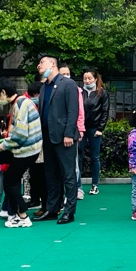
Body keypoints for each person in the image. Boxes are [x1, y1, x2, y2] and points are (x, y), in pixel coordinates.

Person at [35, 56, 81, 224]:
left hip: (64, 137)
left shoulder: (68, 84)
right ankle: (52, 209)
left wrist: (69, 133)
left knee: (68, 175)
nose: (38, 66)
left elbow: (73, 110)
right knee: (51, 174)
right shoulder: (43, 87)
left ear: (52, 64)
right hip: (47, 136)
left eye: (42, 62)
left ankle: (69, 211)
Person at [0, 79, 42, 229]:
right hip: (27, 149)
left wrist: (4, 144)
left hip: (26, 150)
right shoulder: (21, 102)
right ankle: (10, 211)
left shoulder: (20, 104)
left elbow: (21, 134)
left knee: (9, 182)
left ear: (3, 93)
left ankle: (23, 216)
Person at [80, 69, 107, 197]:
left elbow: (105, 111)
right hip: (81, 128)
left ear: (95, 79)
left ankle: (95, 184)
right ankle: (77, 185)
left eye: (89, 78)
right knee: (79, 156)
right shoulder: (80, 92)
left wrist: (100, 128)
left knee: (94, 157)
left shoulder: (102, 92)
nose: (87, 81)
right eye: (85, 78)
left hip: (95, 129)